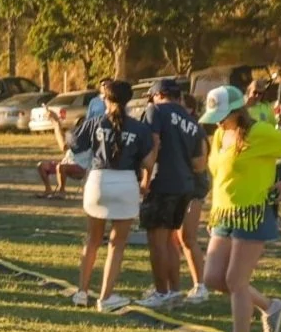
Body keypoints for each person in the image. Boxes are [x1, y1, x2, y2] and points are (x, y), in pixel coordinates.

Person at [199, 85, 281, 332]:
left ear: (238, 110)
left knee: (236, 280)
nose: (219, 121)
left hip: (253, 212)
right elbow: (220, 176)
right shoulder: (219, 134)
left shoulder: (259, 132)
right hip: (223, 213)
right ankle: (270, 306)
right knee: (213, 277)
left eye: (223, 115)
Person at [68, 81, 157, 311]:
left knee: (93, 241)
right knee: (117, 244)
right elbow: (148, 163)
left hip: (98, 181)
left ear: (105, 99)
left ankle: (81, 292)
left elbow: (75, 146)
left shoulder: (95, 122)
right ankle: (105, 297)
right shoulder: (139, 128)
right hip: (126, 182)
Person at [137, 78, 206, 309]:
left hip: (161, 181)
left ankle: (161, 292)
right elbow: (199, 163)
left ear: (159, 94)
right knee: (171, 241)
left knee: (157, 241)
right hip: (186, 186)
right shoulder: (193, 122)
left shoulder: (155, 110)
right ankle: (174, 290)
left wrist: (145, 179)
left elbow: (153, 143)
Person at [176, 92, 211, 303]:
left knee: (188, 237)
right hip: (178, 186)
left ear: (190, 109)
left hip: (194, 187)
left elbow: (201, 164)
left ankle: (201, 284)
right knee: (177, 238)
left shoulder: (195, 130)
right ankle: (174, 285)